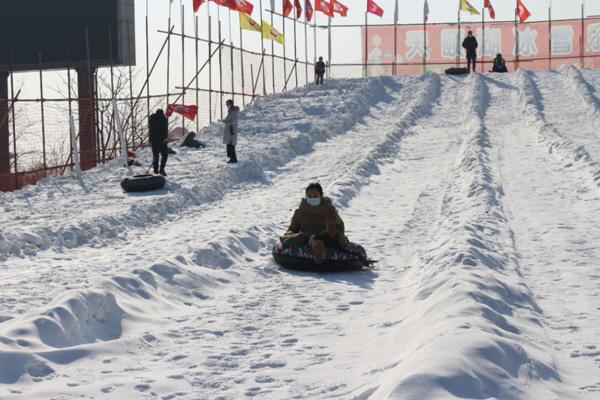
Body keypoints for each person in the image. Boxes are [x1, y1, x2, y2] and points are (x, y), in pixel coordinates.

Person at [280, 183, 349, 264]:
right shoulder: (300, 212)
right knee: (312, 237)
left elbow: (340, 225)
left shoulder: (329, 210)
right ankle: (320, 244)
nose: (312, 197)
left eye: (315, 195)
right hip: (308, 236)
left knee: (326, 235)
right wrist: (290, 236)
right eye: (309, 195)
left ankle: (327, 237)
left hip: (324, 233)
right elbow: (293, 229)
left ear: (321, 196)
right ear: (306, 196)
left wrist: (341, 235)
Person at [148, 109, 169, 176]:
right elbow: (165, 129)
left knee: (155, 156)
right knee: (164, 155)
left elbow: (150, 129)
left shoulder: (151, 118)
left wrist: (150, 140)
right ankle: (162, 169)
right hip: (162, 140)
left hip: (154, 140)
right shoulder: (164, 118)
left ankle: (155, 171)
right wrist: (166, 137)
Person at [222, 99, 240, 163]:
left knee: (231, 145)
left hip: (231, 130)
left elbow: (232, 121)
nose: (226, 105)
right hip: (230, 129)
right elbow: (230, 120)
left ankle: (233, 159)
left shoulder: (233, 111)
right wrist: (225, 121)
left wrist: (226, 122)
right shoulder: (231, 111)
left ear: (230, 104)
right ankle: (232, 158)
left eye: (227, 104)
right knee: (229, 144)